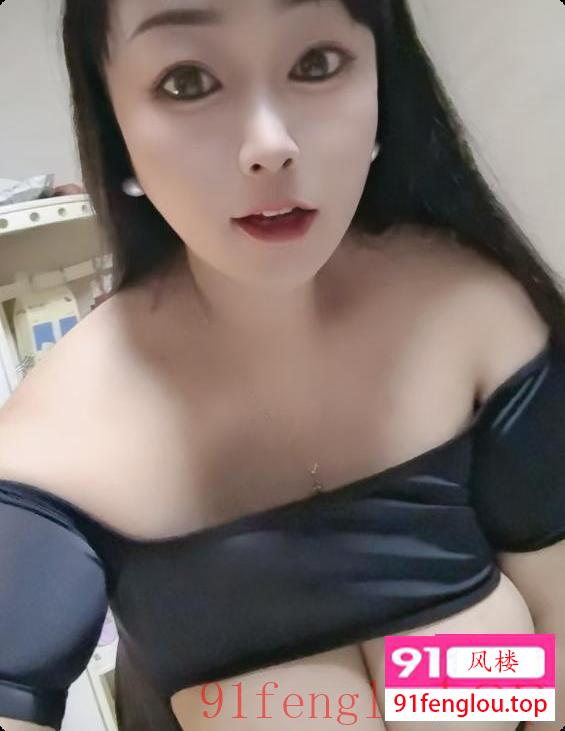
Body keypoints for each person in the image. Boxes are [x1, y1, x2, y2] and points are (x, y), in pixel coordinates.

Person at [0, 1, 563, 729]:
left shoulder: (473, 312)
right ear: (114, 127)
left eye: (316, 64)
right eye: (187, 81)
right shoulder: (54, 446)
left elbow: (552, 620)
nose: (269, 144)